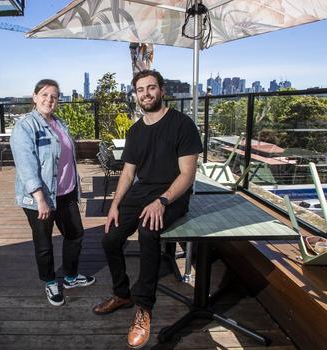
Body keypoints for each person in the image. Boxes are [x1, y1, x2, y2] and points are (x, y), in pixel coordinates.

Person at [92, 70, 202, 349]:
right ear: (136, 95)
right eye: (140, 90)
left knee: (148, 232)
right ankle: (122, 294)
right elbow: (128, 174)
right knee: (110, 238)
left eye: (151, 88)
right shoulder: (135, 130)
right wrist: (115, 205)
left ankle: (143, 308)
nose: (146, 94)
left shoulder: (182, 124)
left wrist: (162, 201)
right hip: (142, 192)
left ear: (161, 91)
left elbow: (187, 174)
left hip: (172, 193)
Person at [10, 79, 95, 307]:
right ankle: (49, 281)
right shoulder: (25, 126)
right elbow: (26, 165)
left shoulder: (59, 123)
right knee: (44, 243)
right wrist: (40, 199)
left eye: (54, 96)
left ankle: (69, 277)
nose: (49, 100)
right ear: (35, 97)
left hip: (65, 192)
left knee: (75, 234)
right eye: (45, 95)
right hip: (40, 198)